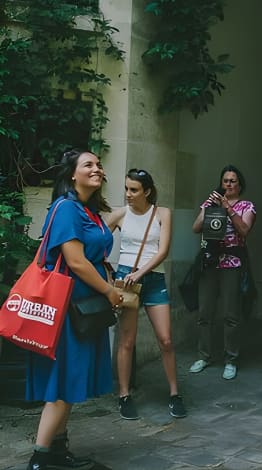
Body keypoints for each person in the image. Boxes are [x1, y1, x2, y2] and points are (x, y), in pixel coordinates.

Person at [26, 149, 122, 470]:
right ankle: (39, 459)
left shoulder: (88, 210)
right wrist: (109, 291)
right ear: (72, 174)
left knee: (71, 379)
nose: (97, 168)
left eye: (98, 164)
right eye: (88, 165)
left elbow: (92, 256)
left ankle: (57, 450)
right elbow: (77, 261)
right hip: (69, 307)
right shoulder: (67, 208)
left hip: (86, 306)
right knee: (63, 381)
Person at [105, 168, 186, 420]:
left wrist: (139, 274)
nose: (128, 194)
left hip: (151, 277)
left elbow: (162, 251)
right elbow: (95, 241)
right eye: (127, 189)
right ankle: (124, 394)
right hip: (126, 279)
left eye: (134, 190)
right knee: (127, 341)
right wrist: (108, 272)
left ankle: (175, 394)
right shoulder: (119, 214)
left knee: (166, 340)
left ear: (147, 191)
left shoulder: (162, 213)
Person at [189, 164, 256, 381]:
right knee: (204, 313)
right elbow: (196, 227)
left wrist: (228, 208)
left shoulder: (246, 206)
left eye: (232, 181)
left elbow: (244, 230)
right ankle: (204, 356)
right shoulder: (211, 203)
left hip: (232, 264)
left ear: (239, 184)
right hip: (210, 263)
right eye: (225, 181)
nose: (228, 184)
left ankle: (230, 359)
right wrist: (208, 207)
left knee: (231, 315)